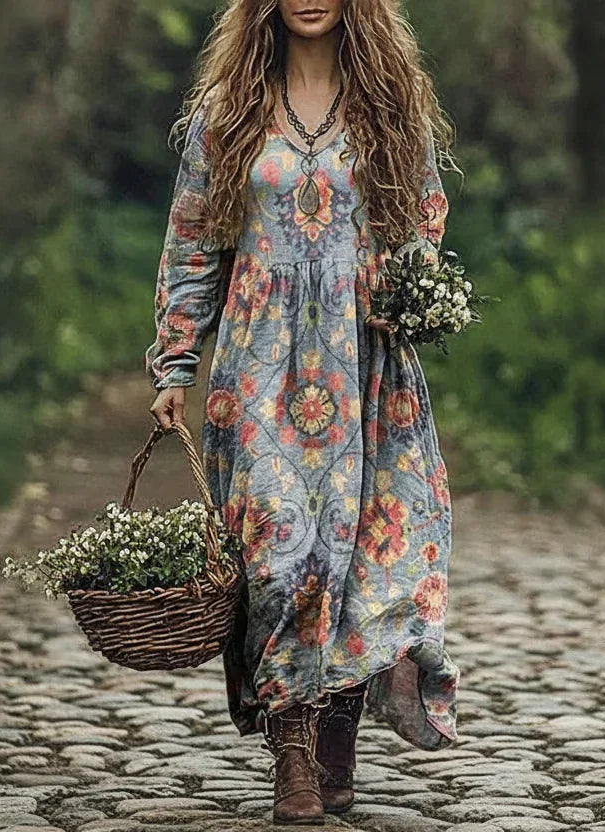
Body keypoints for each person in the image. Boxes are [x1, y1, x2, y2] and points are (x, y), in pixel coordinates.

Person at [144, 0, 460, 823]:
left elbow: (424, 217)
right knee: (281, 552)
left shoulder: (391, 104)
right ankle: (291, 748)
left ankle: (332, 739)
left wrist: (411, 294)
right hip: (255, 367)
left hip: (362, 369)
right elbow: (192, 241)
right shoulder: (229, 112)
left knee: (346, 557)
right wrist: (176, 360)